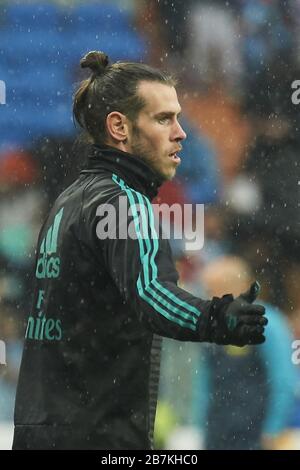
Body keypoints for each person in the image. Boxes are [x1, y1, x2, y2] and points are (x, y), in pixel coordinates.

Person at [13, 51, 267, 450]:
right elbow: (151, 294)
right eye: (164, 118)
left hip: (39, 429)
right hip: (97, 437)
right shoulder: (124, 202)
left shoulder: (69, 201)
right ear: (119, 127)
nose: (181, 132)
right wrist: (218, 317)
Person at [190, 256, 297, 450]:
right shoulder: (212, 327)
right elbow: (204, 384)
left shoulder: (268, 324)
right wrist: (200, 428)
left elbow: (284, 381)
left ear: (236, 287)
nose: (208, 297)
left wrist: (272, 430)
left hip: (255, 434)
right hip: (218, 433)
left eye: (214, 289)